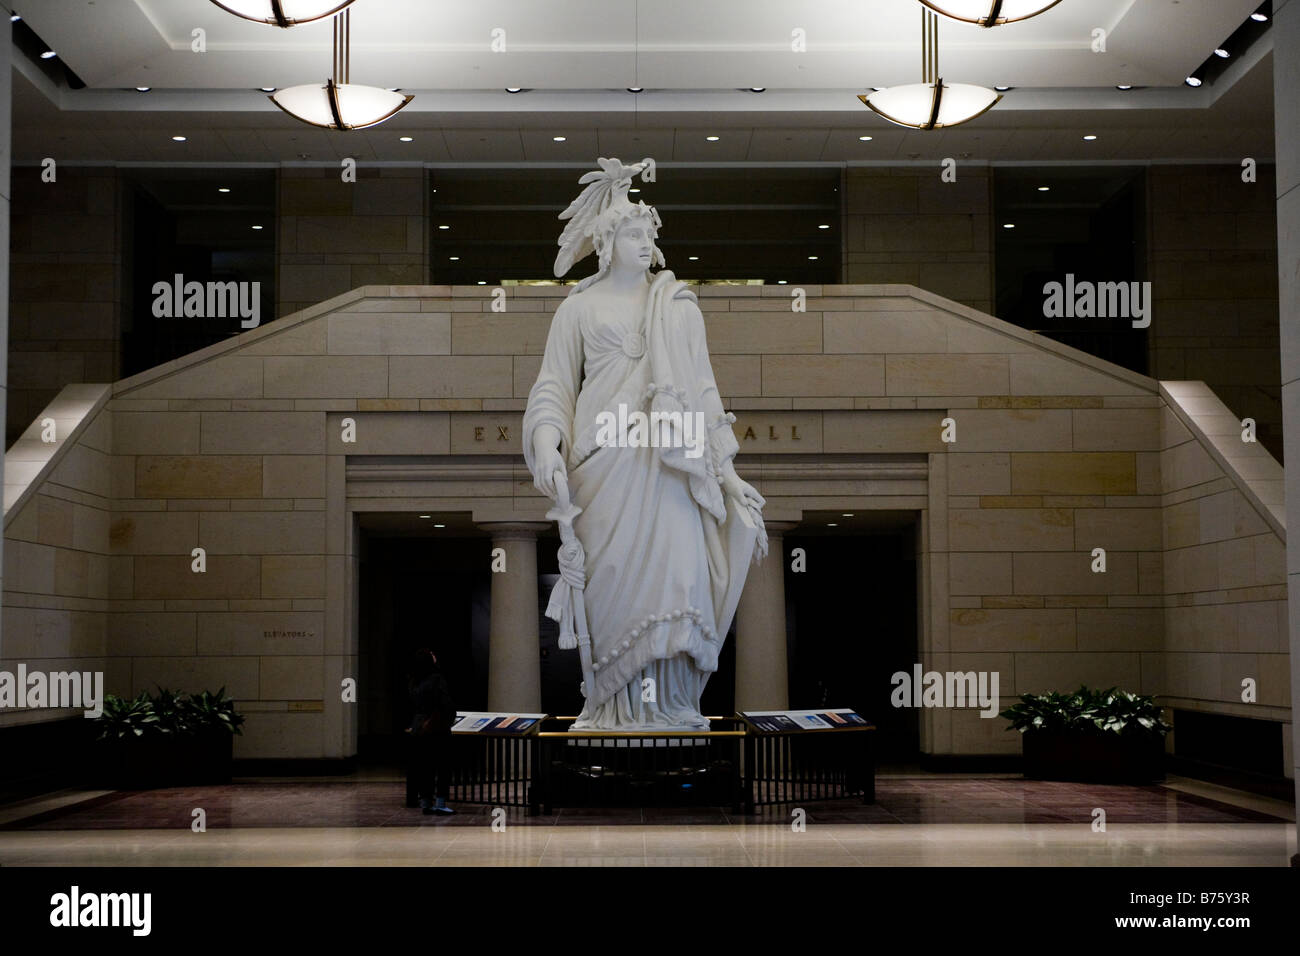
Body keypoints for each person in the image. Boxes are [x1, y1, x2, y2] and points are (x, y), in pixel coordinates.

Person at [523, 157, 768, 731]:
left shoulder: (678, 307)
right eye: (633, 232)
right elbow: (554, 386)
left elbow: (705, 391)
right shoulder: (577, 308)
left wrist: (729, 476)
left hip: (671, 463)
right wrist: (547, 442)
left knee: (677, 579)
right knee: (612, 593)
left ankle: (672, 709)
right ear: (607, 241)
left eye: (650, 234)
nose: (645, 241)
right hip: (603, 467)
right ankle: (610, 709)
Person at [407, 648, 456, 815]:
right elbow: (445, 704)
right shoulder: (437, 679)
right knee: (442, 767)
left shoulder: (414, 681)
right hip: (437, 728)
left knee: (424, 767)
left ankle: (426, 802)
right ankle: (441, 803)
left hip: (418, 727)